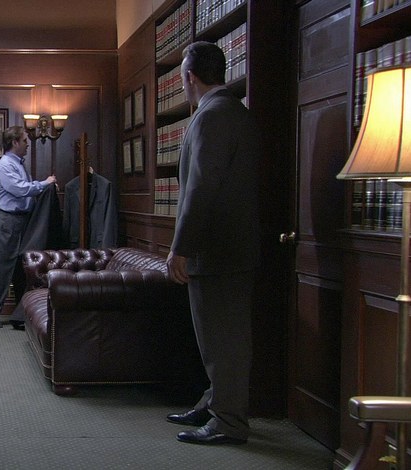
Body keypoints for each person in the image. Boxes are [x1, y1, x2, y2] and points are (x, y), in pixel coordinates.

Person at [165, 41, 261, 446]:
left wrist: (181, 247)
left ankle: (228, 421)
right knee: (223, 338)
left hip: (216, 250)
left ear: (190, 77)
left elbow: (201, 189)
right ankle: (213, 403)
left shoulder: (212, 116)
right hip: (233, 248)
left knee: (222, 342)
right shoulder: (235, 111)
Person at [0, 126, 56, 329]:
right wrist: (45, 183)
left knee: (23, 267)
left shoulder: (17, 164)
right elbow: (19, 189)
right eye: (24, 140)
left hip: (21, 220)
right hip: (8, 221)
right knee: (2, 267)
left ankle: (19, 316)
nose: (27, 144)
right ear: (14, 142)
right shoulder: (5, 165)